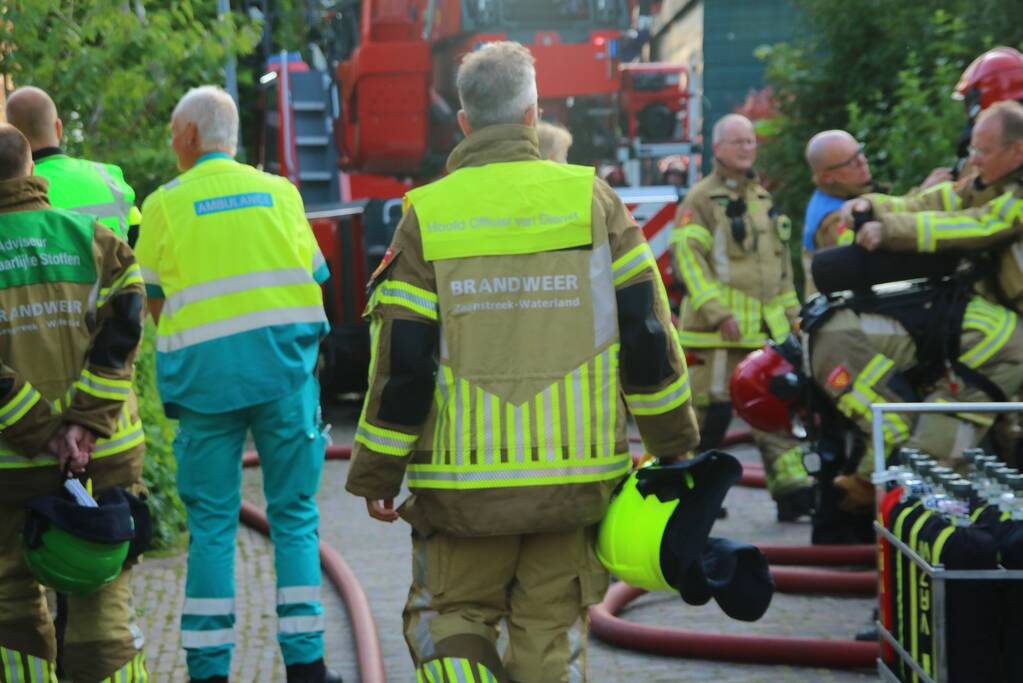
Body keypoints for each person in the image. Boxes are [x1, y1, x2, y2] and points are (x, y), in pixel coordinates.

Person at [345, 41, 699, 682]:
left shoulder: (427, 214)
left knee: (450, 624)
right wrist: (674, 443)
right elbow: (648, 332)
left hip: (460, 495)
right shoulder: (593, 200)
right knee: (549, 637)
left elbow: (403, 362)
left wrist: (377, 472)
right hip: (574, 486)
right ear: (534, 113)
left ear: (463, 121)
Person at [133, 86, 339, 683]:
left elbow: (153, 301)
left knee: (214, 528)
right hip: (283, 376)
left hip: (203, 387)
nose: (172, 144)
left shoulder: (165, 204)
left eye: (174, 134)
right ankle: (307, 667)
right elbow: (316, 276)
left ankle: (209, 671)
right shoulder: (281, 194)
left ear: (192, 136)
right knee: (296, 516)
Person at [0, 123, 149, 680]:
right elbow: (124, 330)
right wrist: (82, 426)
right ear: (34, 172)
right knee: (105, 617)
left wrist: (42, 431)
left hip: (9, 474)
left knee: (10, 615)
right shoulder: (95, 240)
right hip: (102, 466)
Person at [668, 112, 812, 520]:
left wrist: (795, 318)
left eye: (751, 141)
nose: (747, 148)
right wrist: (717, 313)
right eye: (737, 142)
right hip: (718, 337)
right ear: (717, 149)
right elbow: (688, 261)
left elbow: (780, 270)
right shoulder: (701, 199)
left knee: (774, 411)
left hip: (765, 336)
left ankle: (792, 493)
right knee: (709, 418)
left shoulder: (762, 199)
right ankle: (699, 498)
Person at [6, 86, 141, 244]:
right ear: (58, 127)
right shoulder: (109, 176)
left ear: (13, 135)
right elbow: (137, 236)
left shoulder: (12, 190)